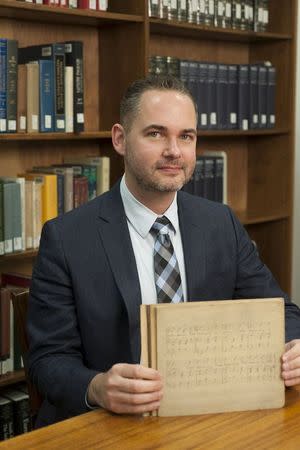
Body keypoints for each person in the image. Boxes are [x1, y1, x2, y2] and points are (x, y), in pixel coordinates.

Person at [28, 75, 300, 428]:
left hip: (208, 418)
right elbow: (47, 359)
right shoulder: (66, 237)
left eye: (186, 136)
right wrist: (97, 387)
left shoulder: (220, 223)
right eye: (156, 133)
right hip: (112, 425)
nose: (174, 150)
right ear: (120, 139)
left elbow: (282, 312)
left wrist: (295, 345)